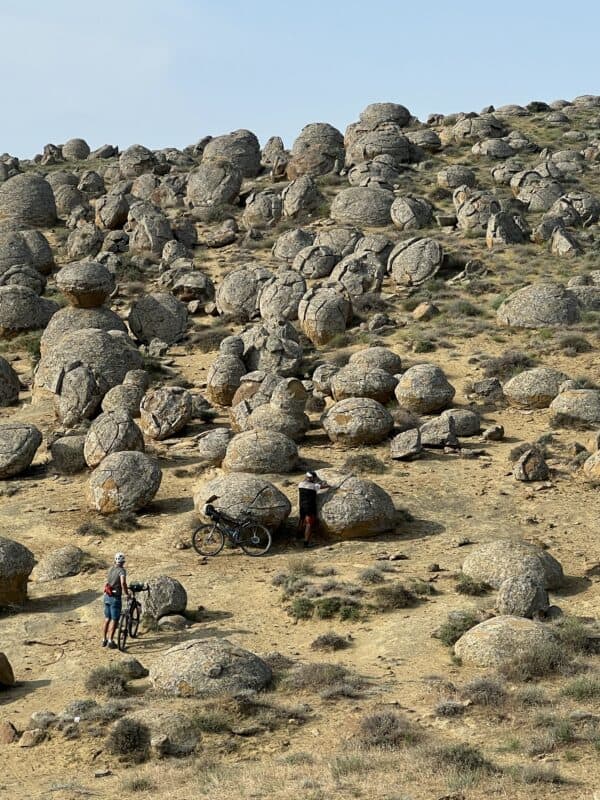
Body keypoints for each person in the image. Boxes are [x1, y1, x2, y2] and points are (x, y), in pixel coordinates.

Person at [102, 553, 129, 649]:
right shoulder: (122, 571)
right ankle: (110, 641)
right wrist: (126, 593)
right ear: (122, 562)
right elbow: (123, 583)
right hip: (115, 598)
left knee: (107, 619)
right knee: (114, 620)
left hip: (107, 596)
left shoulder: (110, 569)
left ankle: (104, 639)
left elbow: (108, 582)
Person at [298, 471, 330, 548]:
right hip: (310, 507)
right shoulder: (313, 486)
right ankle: (306, 543)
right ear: (312, 478)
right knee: (309, 524)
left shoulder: (300, 484)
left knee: (302, 520)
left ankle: (298, 536)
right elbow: (324, 486)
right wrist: (328, 485)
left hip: (302, 505)